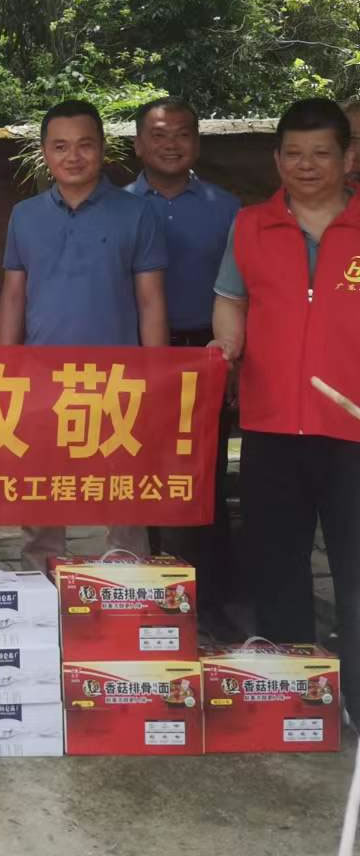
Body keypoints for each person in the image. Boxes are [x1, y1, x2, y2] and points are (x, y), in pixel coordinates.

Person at [212, 98, 360, 717]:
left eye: (321, 153)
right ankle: (298, 701)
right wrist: (226, 347)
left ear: (348, 158)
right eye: (294, 153)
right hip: (270, 425)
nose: (306, 165)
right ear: (276, 159)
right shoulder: (250, 226)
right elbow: (231, 300)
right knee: (277, 564)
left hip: (352, 430)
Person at [0, 98, 168, 570]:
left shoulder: (136, 213)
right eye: (60, 146)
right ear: (45, 153)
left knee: (123, 491)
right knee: (42, 488)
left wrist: (158, 374)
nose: (73, 156)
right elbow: (13, 295)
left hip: (118, 378)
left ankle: (129, 581)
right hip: (41, 377)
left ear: (103, 149)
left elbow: (151, 301)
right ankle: (41, 576)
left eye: (84, 145)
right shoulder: (25, 215)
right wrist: (2, 372)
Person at [126, 96, 241, 631]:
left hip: (207, 355)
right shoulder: (120, 207)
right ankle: (152, 594)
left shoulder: (227, 208)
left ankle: (211, 601)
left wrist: (234, 359)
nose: (171, 144)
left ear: (197, 141)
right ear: (138, 144)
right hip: (139, 358)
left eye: (182, 134)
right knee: (144, 478)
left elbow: (243, 293)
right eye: (159, 134)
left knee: (204, 478)